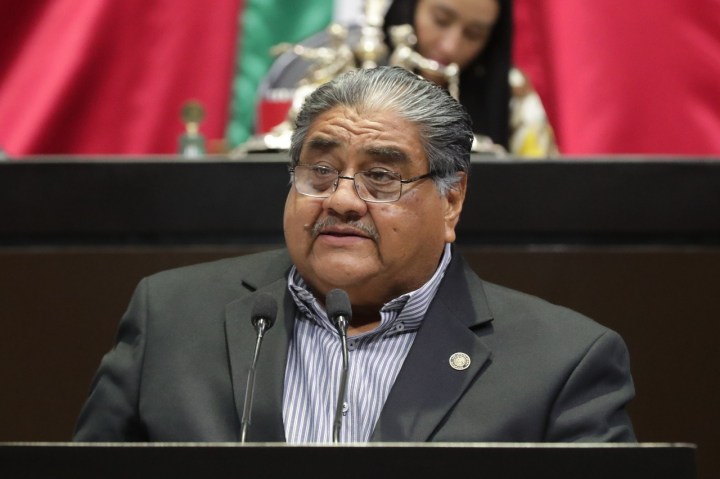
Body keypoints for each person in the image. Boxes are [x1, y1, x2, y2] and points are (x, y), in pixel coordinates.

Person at [74, 66, 634, 443]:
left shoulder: (562, 363)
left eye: (381, 177)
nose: (341, 200)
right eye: (320, 170)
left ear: (451, 201)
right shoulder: (171, 317)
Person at [382, 0, 558, 156]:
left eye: (473, 34)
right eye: (441, 20)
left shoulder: (514, 94)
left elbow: (545, 177)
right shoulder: (365, 68)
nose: (449, 47)